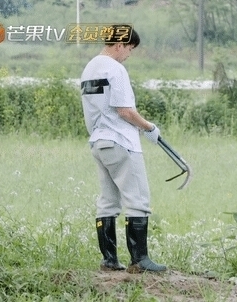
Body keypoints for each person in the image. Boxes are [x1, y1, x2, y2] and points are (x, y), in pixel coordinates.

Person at [80, 25, 166, 273]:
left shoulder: (89, 68)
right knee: (138, 200)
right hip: (120, 142)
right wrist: (149, 128)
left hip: (98, 142)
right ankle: (140, 261)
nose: (129, 54)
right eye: (129, 48)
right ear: (119, 45)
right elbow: (125, 110)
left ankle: (109, 260)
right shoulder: (115, 69)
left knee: (108, 202)